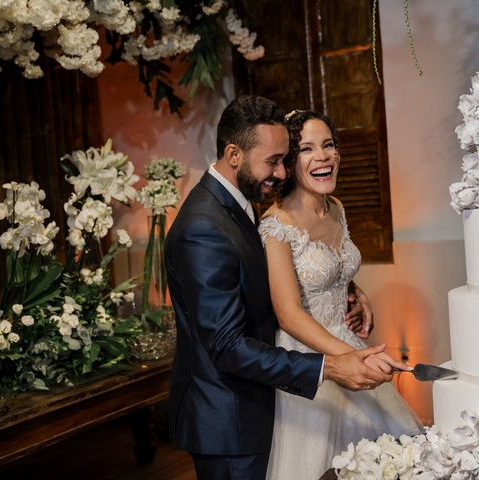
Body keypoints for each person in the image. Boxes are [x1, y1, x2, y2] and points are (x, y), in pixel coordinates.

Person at [164, 96, 404, 480]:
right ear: (234, 154)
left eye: (284, 158)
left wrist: (348, 287)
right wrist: (329, 366)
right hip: (229, 418)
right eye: (274, 161)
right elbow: (226, 345)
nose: (281, 171)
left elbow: (276, 274)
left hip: (261, 396)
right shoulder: (203, 227)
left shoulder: (239, 202)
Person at [259, 110, 424, 480]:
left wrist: (355, 290)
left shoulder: (337, 208)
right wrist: (354, 357)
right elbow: (288, 313)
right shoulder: (275, 225)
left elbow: (331, 269)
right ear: (288, 161)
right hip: (307, 357)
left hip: (347, 340)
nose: (324, 156)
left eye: (329, 145)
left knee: (382, 462)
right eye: (307, 149)